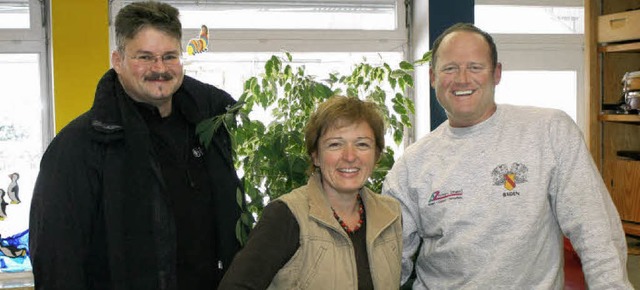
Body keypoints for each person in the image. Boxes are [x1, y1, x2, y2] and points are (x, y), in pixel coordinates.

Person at [382, 23, 633, 289]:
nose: (462, 79)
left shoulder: (548, 131)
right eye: (450, 68)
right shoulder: (412, 164)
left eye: (475, 67)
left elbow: (596, 232)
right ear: (433, 77)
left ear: (497, 73)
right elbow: (389, 260)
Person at [29, 2, 244, 289]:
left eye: (170, 56)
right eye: (145, 57)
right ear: (118, 61)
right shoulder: (78, 146)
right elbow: (56, 258)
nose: (160, 69)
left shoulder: (211, 127)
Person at [218, 95, 403, 289]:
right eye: (335, 144)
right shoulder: (285, 215)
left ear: (377, 154)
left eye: (362, 144)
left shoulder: (390, 215)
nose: (350, 156)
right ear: (315, 155)